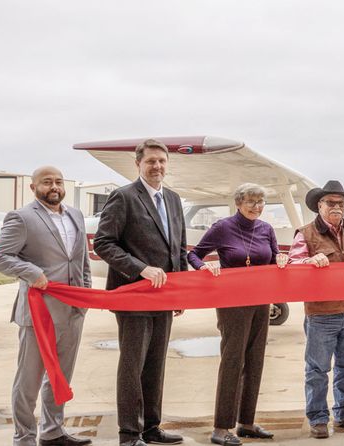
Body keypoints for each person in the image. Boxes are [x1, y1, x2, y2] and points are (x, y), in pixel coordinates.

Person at [94, 138, 189, 446]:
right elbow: (103, 243)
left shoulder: (173, 199)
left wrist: (180, 290)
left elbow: (179, 248)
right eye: (150, 161)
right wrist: (139, 268)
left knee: (156, 365)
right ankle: (129, 434)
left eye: (161, 161)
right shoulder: (123, 197)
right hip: (134, 294)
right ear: (138, 164)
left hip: (164, 297)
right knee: (132, 366)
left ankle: (151, 428)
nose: (157, 166)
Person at [0, 166, 92, 446]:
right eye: (47, 182)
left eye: (58, 181)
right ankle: (24, 438)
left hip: (72, 311)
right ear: (33, 188)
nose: (54, 186)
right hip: (38, 313)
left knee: (60, 377)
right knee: (28, 381)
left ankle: (53, 431)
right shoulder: (21, 218)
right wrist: (32, 273)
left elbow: (81, 261)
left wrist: (85, 296)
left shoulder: (76, 215)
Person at [187, 184, 288, 446]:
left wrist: (280, 259)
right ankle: (221, 427)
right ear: (238, 203)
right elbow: (193, 254)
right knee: (233, 362)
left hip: (260, 302)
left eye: (261, 201)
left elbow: (274, 255)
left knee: (255, 361)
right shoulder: (223, 227)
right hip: (232, 304)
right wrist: (204, 266)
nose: (257, 206)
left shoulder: (266, 229)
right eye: (252, 201)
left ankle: (246, 422)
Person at [289, 181, 344, 439]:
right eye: (331, 203)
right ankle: (318, 418)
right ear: (319, 205)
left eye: (341, 203)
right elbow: (292, 264)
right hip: (321, 314)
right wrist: (308, 261)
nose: (337, 207)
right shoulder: (304, 233)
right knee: (317, 369)